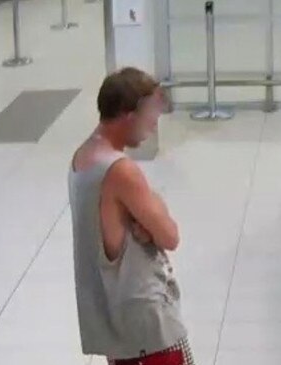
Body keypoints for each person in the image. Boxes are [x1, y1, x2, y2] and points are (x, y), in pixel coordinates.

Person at [69, 67, 195, 365]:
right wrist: (155, 206)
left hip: (115, 320)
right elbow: (169, 235)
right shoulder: (120, 170)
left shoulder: (81, 159)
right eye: (151, 113)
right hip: (148, 327)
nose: (153, 124)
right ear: (129, 115)